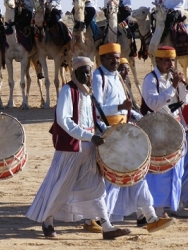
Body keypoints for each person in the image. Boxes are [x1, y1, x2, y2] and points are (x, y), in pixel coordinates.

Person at [26, 56, 132, 240]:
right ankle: (48, 220)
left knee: (96, 187)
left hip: (90, 146)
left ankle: (106, 226)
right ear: (74, 72)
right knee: (61, 185)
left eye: (88, 71)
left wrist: (106, 132)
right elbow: (63, 120)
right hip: (72, 148)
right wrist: (88, 136)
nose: (86, 74)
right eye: (82, 71)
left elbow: (93, 119)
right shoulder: (68, 90)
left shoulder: (87, 92)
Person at [92, 43, 175, 232]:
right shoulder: (99, 77)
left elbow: (128, 110)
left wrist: (144, 119)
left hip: (125, 133)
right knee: (113, 181)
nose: (115, 60)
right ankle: (99, 220)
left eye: (117, 56)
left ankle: (150, 217)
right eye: (111, 57)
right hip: (109, 135)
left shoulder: (118, 77)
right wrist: (118, 109)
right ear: (102, 59)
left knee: (136, 176)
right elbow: (96, 109)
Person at [141, 45, 188, 217]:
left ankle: (175, 204)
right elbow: (154, 104)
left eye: (172, 60)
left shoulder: (172, 78)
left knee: (177, 169)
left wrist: (182, 86)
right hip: (158, 130)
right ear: (158, 60)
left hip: (176, 127)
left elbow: (181, 102)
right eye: (167, 60)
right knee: (160, 170)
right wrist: (172, 87)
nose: (171, 63)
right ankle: (158, 208)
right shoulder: (150, 79)